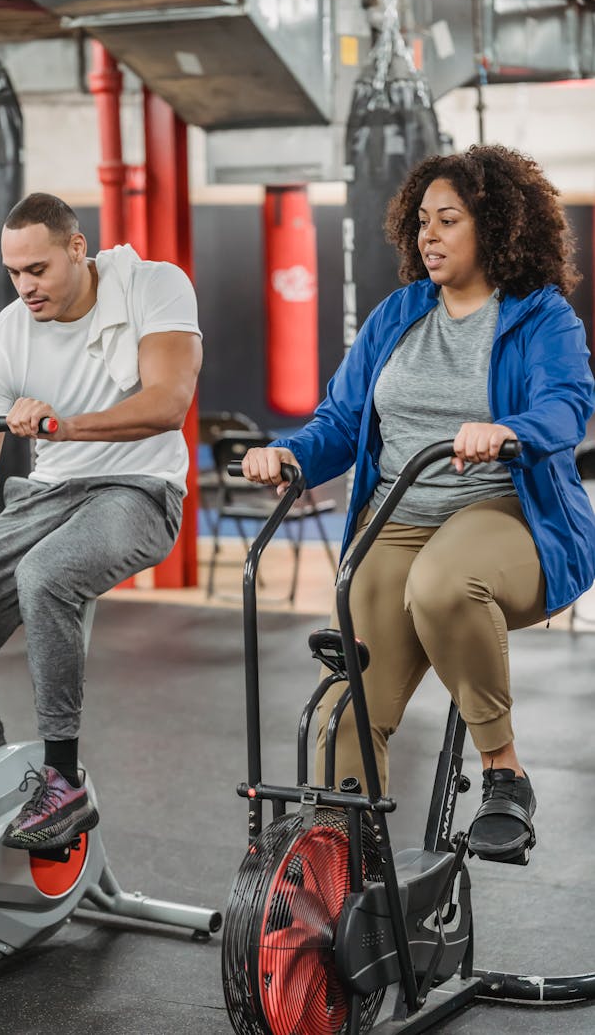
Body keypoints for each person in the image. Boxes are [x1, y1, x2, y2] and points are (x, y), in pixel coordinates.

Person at [242, 145, 595, 864]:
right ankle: (343, 875)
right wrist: (291, 455)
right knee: (342, 706)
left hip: (504, 514)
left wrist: (510, 432)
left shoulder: (539, 317)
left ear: (494, 227)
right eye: (422, 223)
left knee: (442, 585)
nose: (429, 237)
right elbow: (340, 422)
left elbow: (569, 404)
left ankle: (503, 772)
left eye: (449, 221)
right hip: (398, 516)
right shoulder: (399, 315)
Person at [0, 192, 203, 850]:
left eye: (38, 269)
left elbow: (168, 402)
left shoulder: (152, 285)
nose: (25, 286)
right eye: (14, 272)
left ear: (77, 248)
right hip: (43, 498)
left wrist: (63, 425)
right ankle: (6, 803)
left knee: (46, 574)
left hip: (139, 490)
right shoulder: (6, 339)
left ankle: (63, 783)